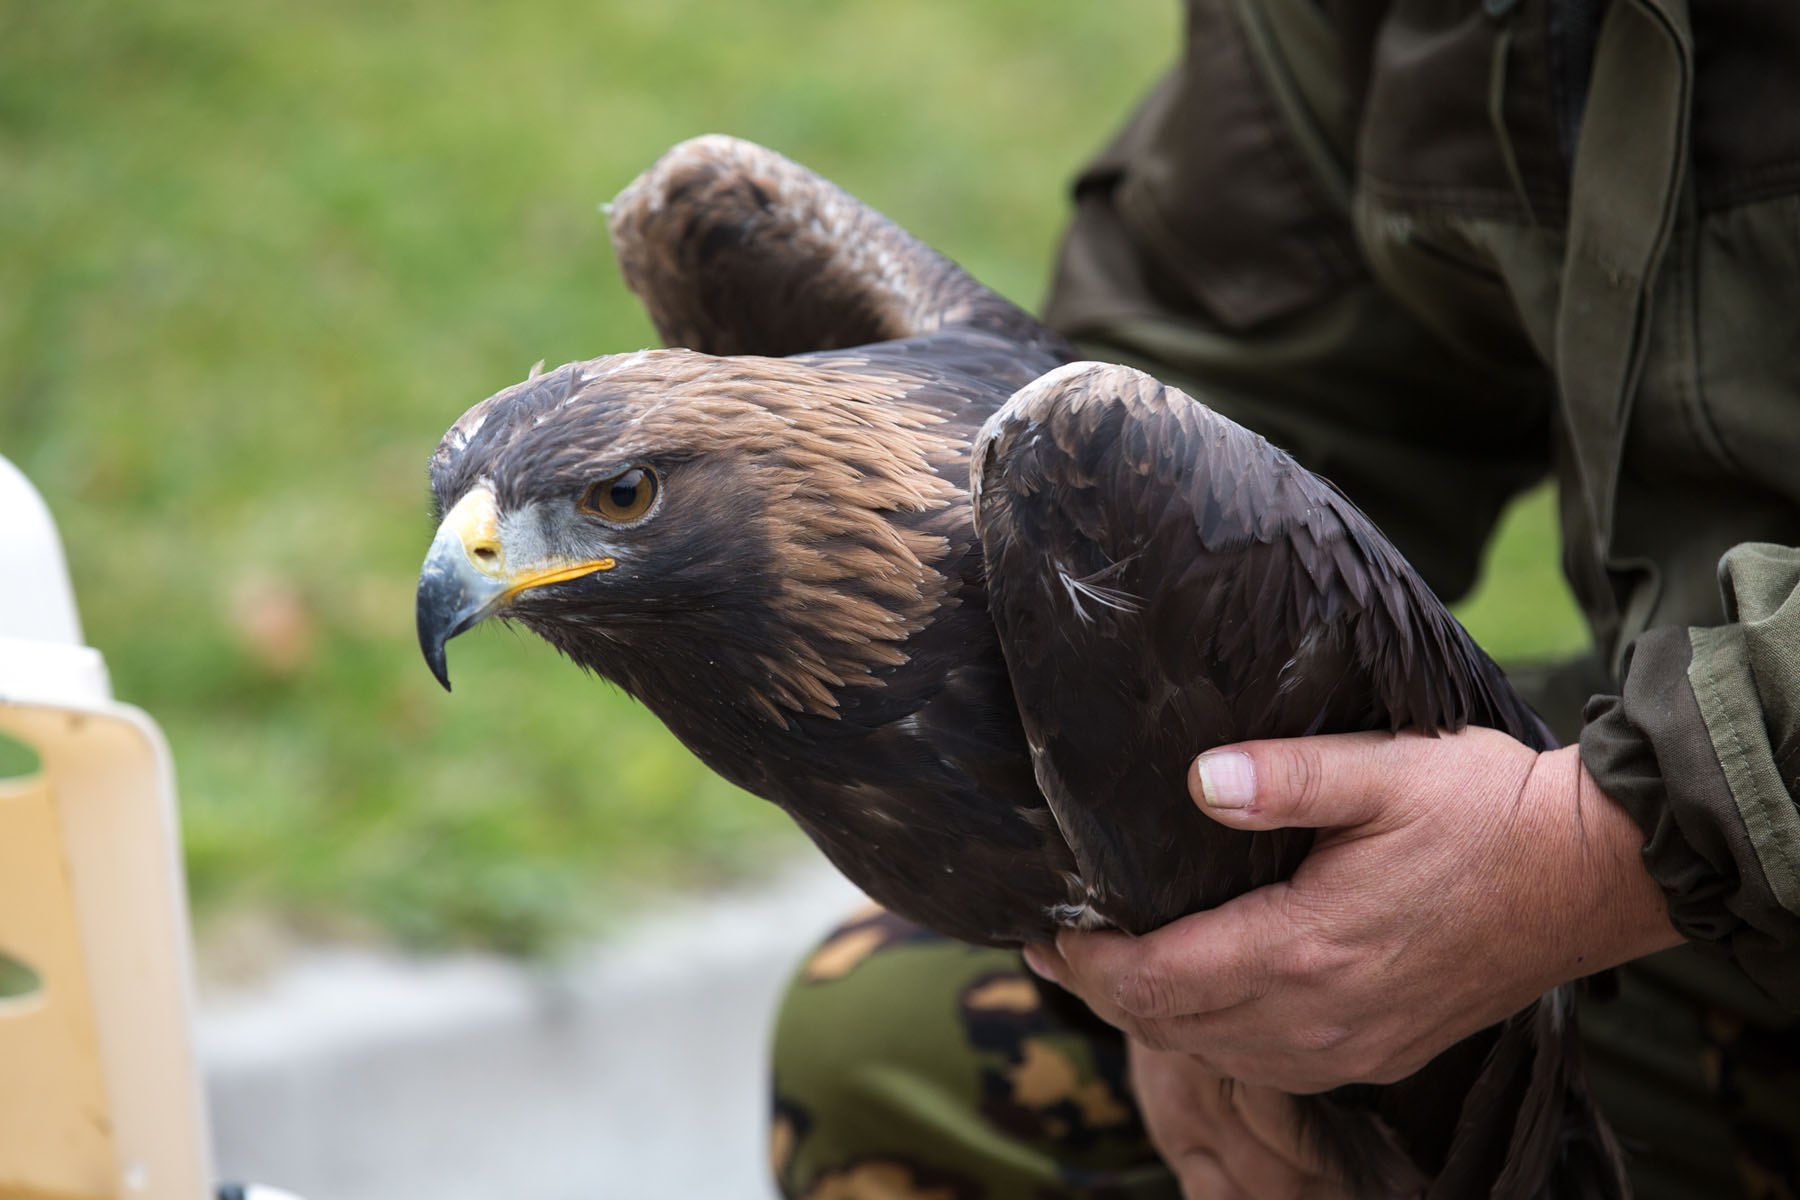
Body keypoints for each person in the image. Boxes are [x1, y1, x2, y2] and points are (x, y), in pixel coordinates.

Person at [769, 0, 1800, 1196]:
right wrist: (1181, 932)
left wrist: (1592, 852)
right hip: (1701, 906)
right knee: (895, 1051)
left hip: (1683, 838)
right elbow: (1222, 408)